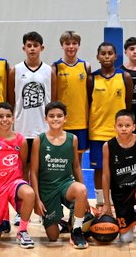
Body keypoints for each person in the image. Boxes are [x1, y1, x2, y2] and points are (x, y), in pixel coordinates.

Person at [30, 101, 91, 249]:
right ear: (46, 119)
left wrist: (85, 196)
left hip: (66, 184)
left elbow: (76, 166)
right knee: (53, 237)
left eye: (59, 116)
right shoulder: (39, 140)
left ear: (65, 118)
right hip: (47, 189)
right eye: (51, 116)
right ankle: (65, 220)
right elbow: (33, 171)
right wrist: (37, 200)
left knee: (81, 190)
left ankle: (76, 231)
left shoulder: (72, 139)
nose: (55, 119)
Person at [0, 103, 35, 248]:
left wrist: (21, 181)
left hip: (14, 183)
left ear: (13, 118)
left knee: (29, 193)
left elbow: (23, 164)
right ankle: (3, 220)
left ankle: (22, 230)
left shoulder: (21, 140)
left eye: (8, 116)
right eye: (0, 116)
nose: (5, 119)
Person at [100, 110, 136, 248]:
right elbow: (106, 175)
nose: (124, 128)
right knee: (125, 239)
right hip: (120, 193)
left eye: (127, 125)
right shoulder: (108, 146)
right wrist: (106, 203)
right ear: (114, 126)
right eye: (120, 125)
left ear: (134, 126)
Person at [87, 42, 133, 212]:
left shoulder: (125, 77)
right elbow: (88, 103)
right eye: (103, 53)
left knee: (119, 168)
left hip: (119, 133)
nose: (106, 56)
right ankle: (100, 201)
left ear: (115, 56)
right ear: (98, 57)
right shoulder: (92, 78)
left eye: (110, 53)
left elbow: (127, 106)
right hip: (98, 131)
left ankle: (118, 200)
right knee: (99, 168)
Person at [9, 31, 54, 156]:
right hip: (22, 127)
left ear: (42, 48)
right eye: (29, 46)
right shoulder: (15, 70)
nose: (32, 49)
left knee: (41, 166)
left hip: (43, 128)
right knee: (23, 165)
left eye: (35, 45)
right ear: (24, 48)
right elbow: (11, 100)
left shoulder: (49, 71)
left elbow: (53, 100)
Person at [53, 30, 91, 155]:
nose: (71, 47)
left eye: (74, 43)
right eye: (67, 43)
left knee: (78, 158)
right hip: (62, 121)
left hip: (81, 120)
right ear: (62, 45)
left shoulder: (86, 66)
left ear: (78, 46)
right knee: (62, 157)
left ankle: (78, 176)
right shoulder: (55, 67)